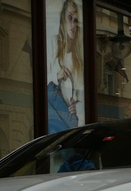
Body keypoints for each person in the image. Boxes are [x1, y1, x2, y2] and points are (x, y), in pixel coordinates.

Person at [47, 0, 84, 133]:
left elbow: (82, 95)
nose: (73, 25)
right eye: (70, 18)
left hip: (69, 120)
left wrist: (76, 108)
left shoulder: (78, 57)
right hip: (54, 113)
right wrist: (57, 76)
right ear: (63, 18)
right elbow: (40, 81)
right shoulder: (52, 43)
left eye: (76, 20)